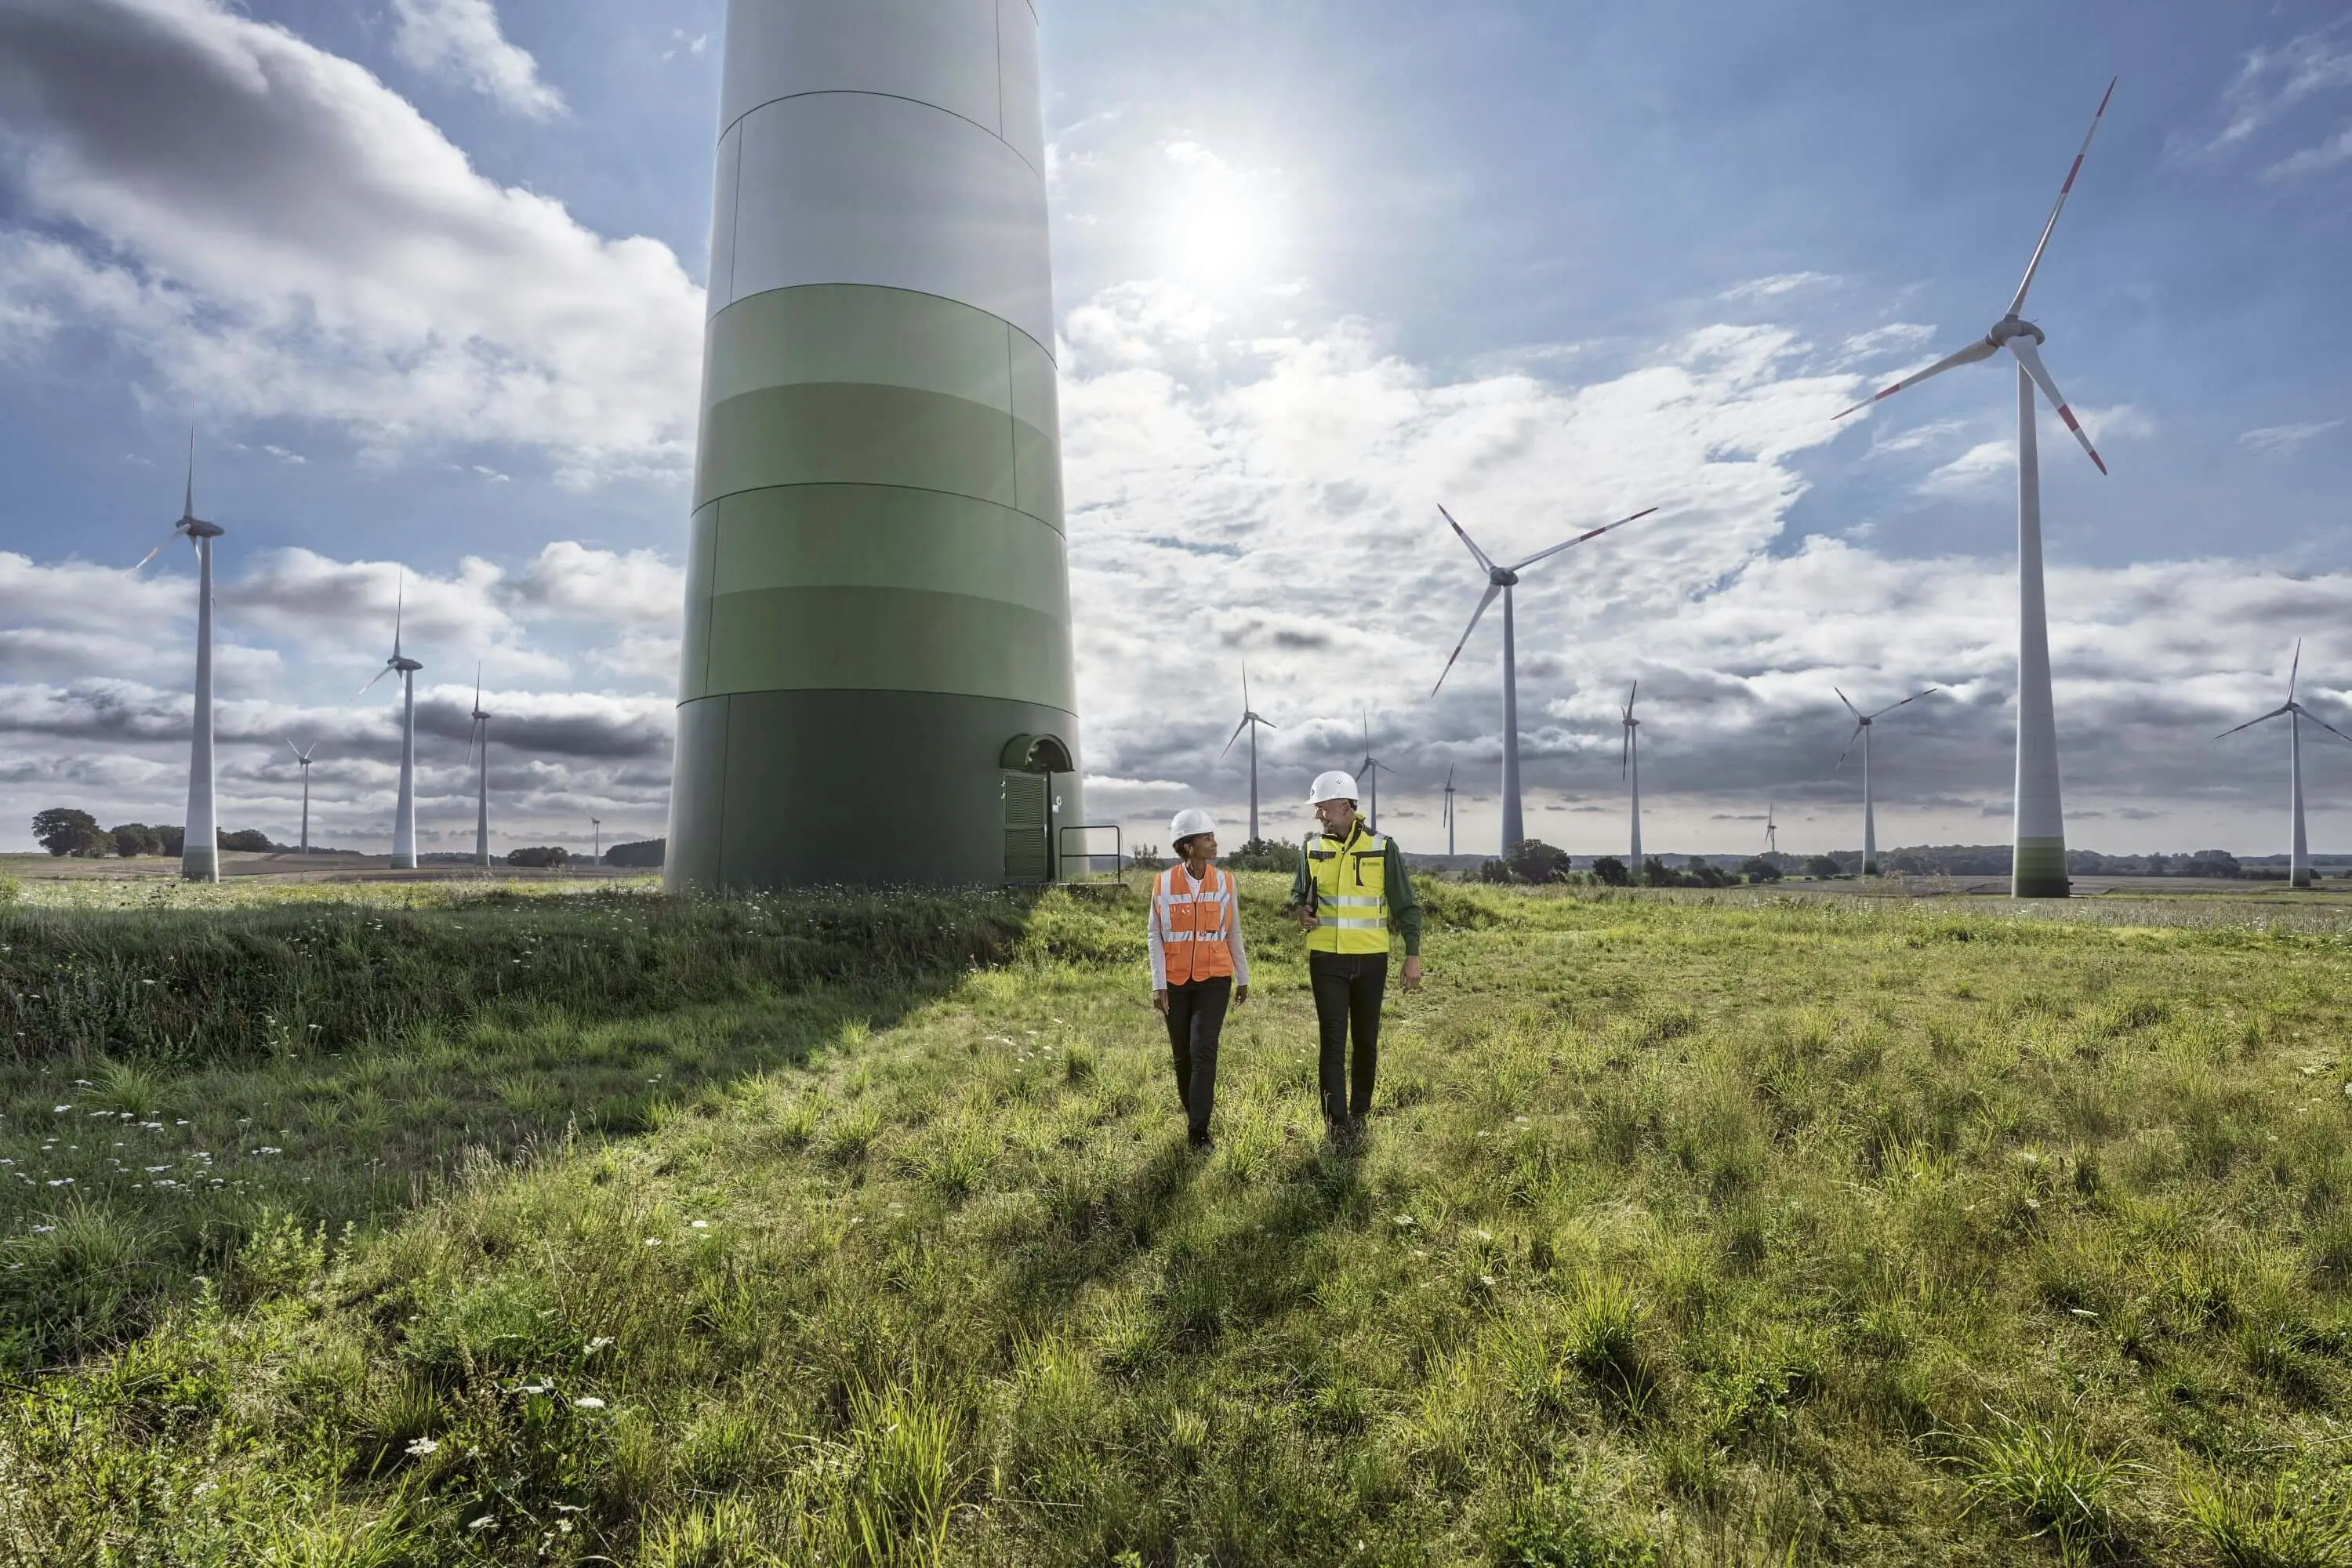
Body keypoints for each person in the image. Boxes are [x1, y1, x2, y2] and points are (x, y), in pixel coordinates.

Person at [1286, 771, 1422, 1145]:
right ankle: (1337, 1125)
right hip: (1326, 958)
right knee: (1332, 1039)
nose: (1319, 815)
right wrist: (1302, 911)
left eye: (1323, 807)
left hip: (1371, 958)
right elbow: (1299, 894)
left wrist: (1412, 956)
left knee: (1365, 1039)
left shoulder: (1382, 847)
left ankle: (1359, 1113)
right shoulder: (1312, 849)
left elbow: (1405, 905)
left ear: (1345, 806)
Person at [1149, 808, 1249, 1150]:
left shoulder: (1225, 882)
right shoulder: (1163, 883)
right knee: (1182, 1055)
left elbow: (1233, 932)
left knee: (1203, 1049)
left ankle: (1199, 1131)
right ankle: (1194, 1113)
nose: (1214, 842)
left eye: (1212, 836)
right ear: (1188, 846)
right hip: (1175, 981)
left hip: (1214, 979)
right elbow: (1154, 936)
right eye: (1207, 838)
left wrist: (1243, 975)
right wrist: (1158, 982)